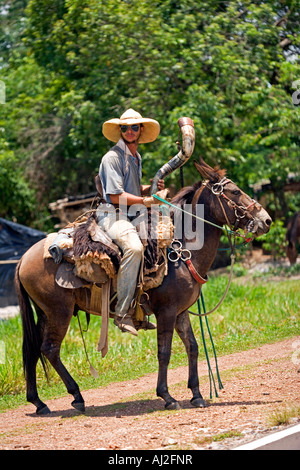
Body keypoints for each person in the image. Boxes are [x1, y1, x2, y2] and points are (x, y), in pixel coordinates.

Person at [97, 109, 166, 336]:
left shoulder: (135, 157)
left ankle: (140, 310)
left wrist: (153, 188)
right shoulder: (112, 157)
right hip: (113, 214)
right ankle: (122, 312)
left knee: (161, 240)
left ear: (141, 130)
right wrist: (147, 200)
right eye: (125, 128)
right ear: (120, 130)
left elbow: (133, 190)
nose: (129, 131)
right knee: (135, 248)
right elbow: (116, 196)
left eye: (134, 127)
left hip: (132, 213)